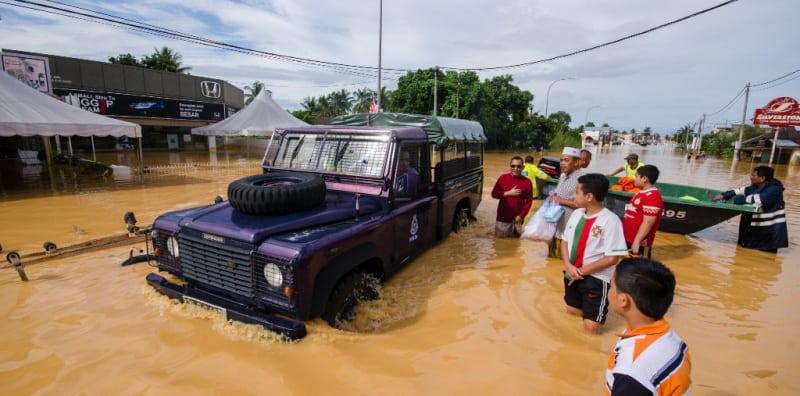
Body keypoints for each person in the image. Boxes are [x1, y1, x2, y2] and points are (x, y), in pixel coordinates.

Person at [605, 258, 692, 395]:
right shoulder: (671, 338)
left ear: (623, 300)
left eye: (611, 285)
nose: (609, 290)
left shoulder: (632, 372)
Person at [560, 173, 628, 334]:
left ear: (589, 196)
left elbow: (612, 258)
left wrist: (581, 271)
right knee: (572, 312)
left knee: (591, 328)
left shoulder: (610, 221)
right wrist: (568, 266)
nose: (574, 196)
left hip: (596, 279)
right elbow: (564, 242)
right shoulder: (576, 215)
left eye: (577, 192)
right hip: (571, 274)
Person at [712, 166, 788, 252]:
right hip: (753, 230)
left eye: (753, 175)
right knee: (744, 253)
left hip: (768, 232)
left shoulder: (774, 189)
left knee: (764, 257)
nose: (751, 177)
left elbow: (758, 199)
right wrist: (724, 195)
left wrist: (739, 199)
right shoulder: (756, 186)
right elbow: (740, 190)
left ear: (762, 178)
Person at [547, 147, 585, 257]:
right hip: (556, 227)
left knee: (563, 261)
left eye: (566, 160)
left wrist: (560, 200)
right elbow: (559, 195)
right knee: (551, 261)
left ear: (577, 162)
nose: (562, 163)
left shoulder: (582, 179)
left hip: (568, 231)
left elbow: (582, 205)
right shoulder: (563, 176)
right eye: (561, 160)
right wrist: (553, 198)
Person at [623, 165, 663, 258]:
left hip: (640, 243)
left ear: (644, 179)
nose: (634, 179)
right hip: (629, 239)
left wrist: (637, 241)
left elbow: (648, 222)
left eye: (636, 176)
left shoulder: (653, 196)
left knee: (640, 270)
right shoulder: (640, 192)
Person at [491, 156, 534, 238]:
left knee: (515, 246)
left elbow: (529, 202)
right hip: (502, 220)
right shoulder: (502, 178)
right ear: (510, 166)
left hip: (518, 221)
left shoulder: (527, 182)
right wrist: (507, 193)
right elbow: (494, 194)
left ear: (523, 167)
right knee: (500, 245)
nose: (516, 168)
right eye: (513, 166)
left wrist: (521, 216)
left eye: (518, 166)